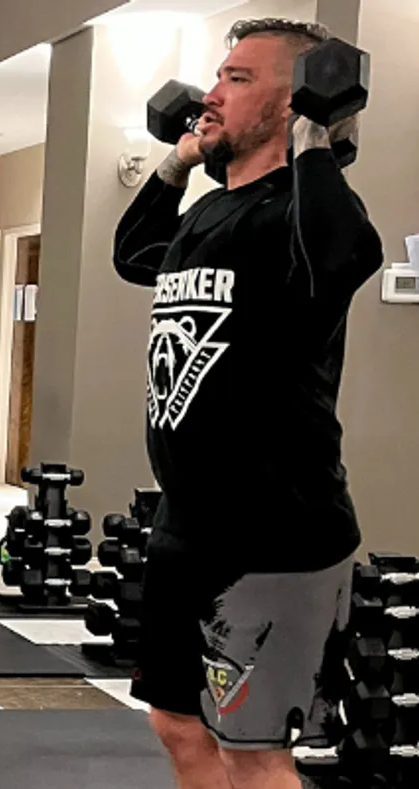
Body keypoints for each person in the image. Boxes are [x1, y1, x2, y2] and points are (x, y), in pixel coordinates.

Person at [112, 19, 380, 789]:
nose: (210, 93)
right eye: (217, 75)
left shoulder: (303, 211)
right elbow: (132, 254)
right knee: (177, 722)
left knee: (253, 750)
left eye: (236, 78)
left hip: (278, 535)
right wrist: (180, 158)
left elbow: (344, 256)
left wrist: (315, 134)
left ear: (295, 97)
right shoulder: (206, 213)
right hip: (188, 524)